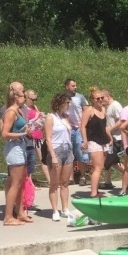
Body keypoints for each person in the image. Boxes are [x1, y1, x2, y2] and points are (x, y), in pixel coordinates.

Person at [1, 86, 30, 225]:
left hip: (20, 146)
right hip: (14, 148)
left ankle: (20, 212)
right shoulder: (11, 112)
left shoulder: (18, 111)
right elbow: (5, 133)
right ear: (16, 97)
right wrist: (23, 134)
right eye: (23, 95)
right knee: (15, 183)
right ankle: (8, 217)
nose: (25, 98)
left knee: (21, 182)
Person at [44, 92, 74, 221]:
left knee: (65, 183)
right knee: (54, 183)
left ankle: (65, 208)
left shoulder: (66, 117)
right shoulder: (51, 117)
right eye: (67, 102)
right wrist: (53, 156)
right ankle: (55, 210)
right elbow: (48, 138)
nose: (69, 105)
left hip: (67, 150)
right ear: (60, 103)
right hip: (56, 149)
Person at [80, 87, 113, 198]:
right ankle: (93, 193)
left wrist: (110, 137)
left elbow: (105, 126)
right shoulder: (89, 110)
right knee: (98, 167)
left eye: (101, 98)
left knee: (99, 167)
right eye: (97, 98)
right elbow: (83, 126)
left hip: (104, 140)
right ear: (92, 100)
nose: (100, 100)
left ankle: (96, 190)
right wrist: (85, 140)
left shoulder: (103, 109)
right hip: (94, 141)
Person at [64, 79, 89, 184]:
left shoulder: (80, 97)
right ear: (67, 86)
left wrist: (83, 124)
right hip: (68, 128)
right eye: (73, 85)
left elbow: (86, 110)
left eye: (76, 85)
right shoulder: (63, 98)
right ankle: (71, 178)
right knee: (69, 152)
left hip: (78, 128)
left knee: (80, 152)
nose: (75, 87)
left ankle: (83, 177)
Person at [101, 90, 124, 190]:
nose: (101, 100)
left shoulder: (116, 105)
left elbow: (121, 121)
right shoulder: (109, 107)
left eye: (102, 98)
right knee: (109, 160)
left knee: (111, 161)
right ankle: (108, 182)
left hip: (117, 138)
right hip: (111, 138)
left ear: (108, 96)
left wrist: (110, 129)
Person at [24, 89, 49, 185]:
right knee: (30, 161)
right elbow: (26, 122)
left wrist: (41, 116)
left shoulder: (35, 107)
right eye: (32, 99)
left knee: (44, 158)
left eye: (35, 99)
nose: (34, 101)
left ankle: (50, 180)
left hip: (38, 136)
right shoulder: (24, 109)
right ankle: (30, 183)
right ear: (26, 97)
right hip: (30, 137)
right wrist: (37, 117)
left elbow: (39, 119)